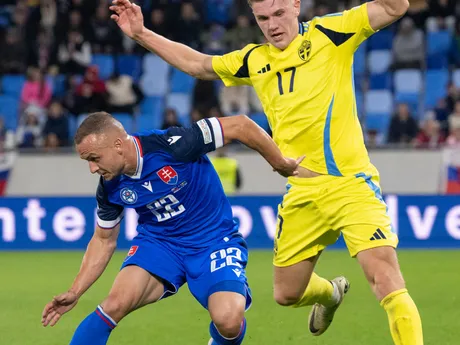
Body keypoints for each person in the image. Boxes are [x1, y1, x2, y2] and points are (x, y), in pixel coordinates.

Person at [108, 0, 424, 344]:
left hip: (350, 184)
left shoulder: (332, 32)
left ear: (296, 7)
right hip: (302, 190)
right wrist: (141, 34)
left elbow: (395, 8)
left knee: (385, 279)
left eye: (278, 14)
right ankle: (331, 295)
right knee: (286, 294)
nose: (272, 25)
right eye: (262, 18)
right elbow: (198, 64)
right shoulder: (254, 59)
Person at [41, 112, 302, 345]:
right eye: (87, 161)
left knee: (229, 321)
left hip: (213, 241)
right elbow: (103, 240)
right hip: (160, 245)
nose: (92, 168)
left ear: (118, 144)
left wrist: (278, 162)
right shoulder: (109, 187)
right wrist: (75, 291)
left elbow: (241, 125)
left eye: (94, 158)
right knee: (114, 304)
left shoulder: (173, 145)